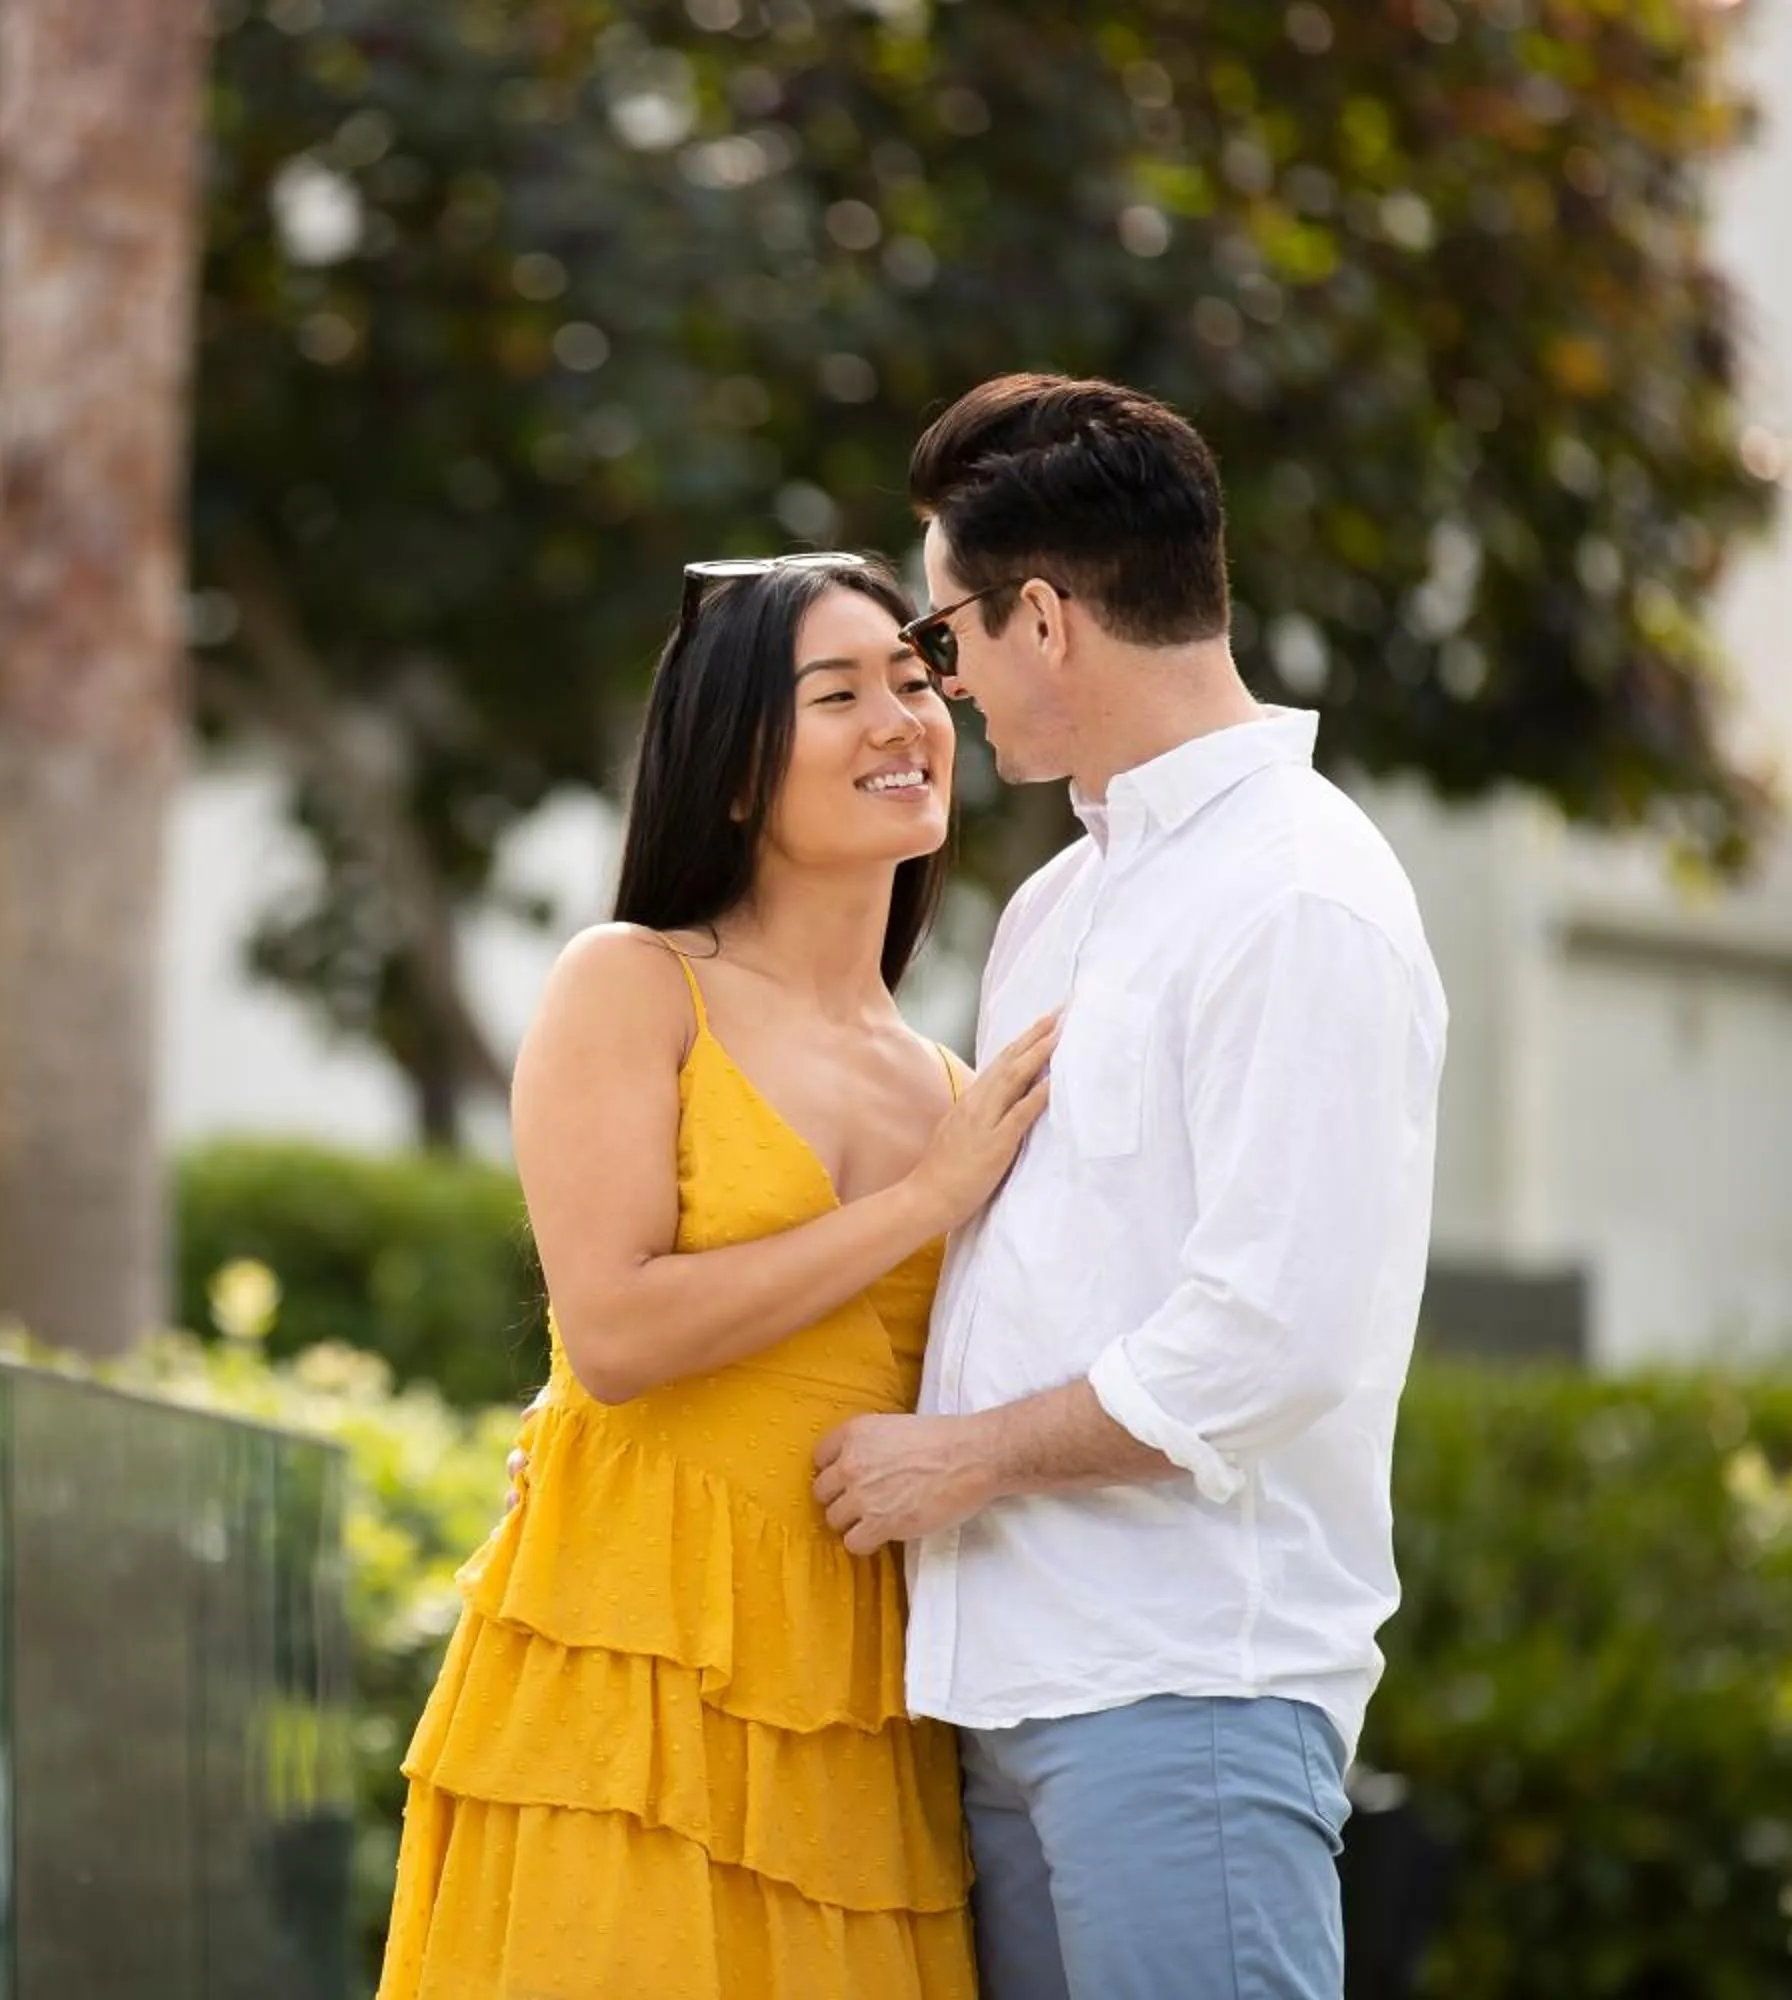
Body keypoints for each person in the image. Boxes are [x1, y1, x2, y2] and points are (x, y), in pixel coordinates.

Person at [810, 374, 1449, 2000]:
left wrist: (961, 1463)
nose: (938, 694)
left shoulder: (1300, 896)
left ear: (1043, 620)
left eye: (941, 640)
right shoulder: (1061, 907)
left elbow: (1270, 1334)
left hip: (1186, 1695)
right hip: (1009, 1683)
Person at [376, 549, 1058, 2000]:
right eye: (837, 693)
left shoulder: (956, 1079)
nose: (901, 718)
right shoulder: (632, 982)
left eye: (912, 679)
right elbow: (614, 1329)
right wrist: (929, 1198)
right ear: (736, 774)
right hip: (625, 1668)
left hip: (859, 1705)